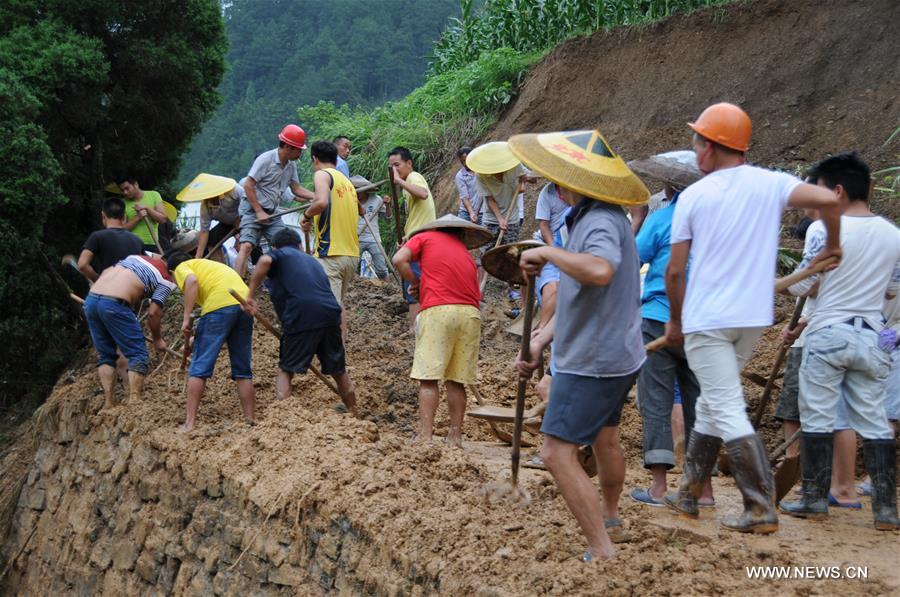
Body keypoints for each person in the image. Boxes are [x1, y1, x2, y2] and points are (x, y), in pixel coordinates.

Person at [662, 103, 841, 534]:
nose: (695, 149)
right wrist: (832, 245)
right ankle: (688, 492)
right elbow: (828, 199)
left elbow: (673, 271)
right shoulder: (771, 183)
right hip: (752, 316)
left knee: (723, 403)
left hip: (708, 318)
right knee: (712, 400)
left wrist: (674, 321)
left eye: (696, 142)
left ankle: (759, 506)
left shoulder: (693, 196)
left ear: (709, 147)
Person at [511, 128, 650, 561]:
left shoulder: (600, 220)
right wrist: (541, 339)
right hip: (610, 351)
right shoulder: (590, 218)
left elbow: (600, 271)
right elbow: (581, 295)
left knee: (555, 453)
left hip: (593, 360)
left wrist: (548, 254)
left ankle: (602, 548)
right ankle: (609, 517)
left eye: (558, 178)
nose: (554, 185)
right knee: (606, 440)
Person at [779, 152, 900, 531]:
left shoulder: (823, 229)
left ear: (838, 192)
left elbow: (801, 284)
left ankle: (814, 499)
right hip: (871, 336)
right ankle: (885, 509)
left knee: (817, 415)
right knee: (875, 421)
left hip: (829, 331)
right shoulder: (894, 236)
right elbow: (893, 292)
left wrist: (806, 278)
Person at [629, 173, 714, 508]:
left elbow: (635, 259)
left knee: (657, 401)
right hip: (705, 323)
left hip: (659, 318)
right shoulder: (719, 224)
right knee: (701, 405)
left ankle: (660, 488)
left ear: (669, 188)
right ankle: (703, 490)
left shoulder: (663, 218)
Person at [393, 215, 487, 447]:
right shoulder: (465, 254)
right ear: (461, 235)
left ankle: (426, 435)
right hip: (470, 315)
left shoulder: (425, 237)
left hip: (439, 311)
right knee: (456, 381)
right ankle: (455, 435)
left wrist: (415, 281)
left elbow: (399, 259)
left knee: (428, 378)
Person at [244, 228, 358, 416]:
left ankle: (286, 419)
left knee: (286, 369)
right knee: (338, 370)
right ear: (299, 245)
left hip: (301, 314)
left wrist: (249, 296)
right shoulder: (312, 261)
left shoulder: (279, 254)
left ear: (274, 246)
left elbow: (264, 260)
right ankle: (354, 410)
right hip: (330, 314)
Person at [166, 251, 256, 432]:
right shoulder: (211, 269)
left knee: (199, 366)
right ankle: (250, 420)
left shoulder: (183, 267)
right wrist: (193, 340)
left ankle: (190, 424)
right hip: (243, 305)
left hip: (221, 306)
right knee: (242, 368)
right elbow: (218, 327)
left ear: (171, 273)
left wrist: (186, 317)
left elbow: (191, 282)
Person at [83, 254, 175, 409]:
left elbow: (107, 270)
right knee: (137, 353)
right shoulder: (166, 279)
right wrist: (157, 339)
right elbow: (153, 313)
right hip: (114, 304)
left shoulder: (135, 257)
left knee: (106, 355)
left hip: (92, 300)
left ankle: (108, 403)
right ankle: (135, 400)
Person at [299, 141, 361, 340]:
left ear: (315, 159)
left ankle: (333, 355)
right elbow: (361, 209)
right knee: (336, 306)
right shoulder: (347, 182)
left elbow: (322, 201)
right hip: (350, 254)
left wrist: (307, 216)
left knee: (328, 309)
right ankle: (338, 352)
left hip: (331, 254)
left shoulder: (322, 175)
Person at [236, 124, 315, 277]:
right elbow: (248, 184)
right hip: (253, 210)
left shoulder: (291, 166)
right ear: (287, 147)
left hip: (272, 212)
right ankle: (237, 283)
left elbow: (296, 189)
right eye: (298, 149)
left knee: (286, 245)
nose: (300, 153)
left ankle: (288, 279)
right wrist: (258, 211)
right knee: (246, 245)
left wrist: (315, 196)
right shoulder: (265, 160)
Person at [467, 142, 527, 299]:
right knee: (485, 252)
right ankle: (480, 290)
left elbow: (525, 178)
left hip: (512, 218)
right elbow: (489, 199)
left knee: (511, 253)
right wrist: (500, 218)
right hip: (491, 218)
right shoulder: (481, 175)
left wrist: (524, 182)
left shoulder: (514, 166)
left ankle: (512, 290)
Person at [388, 146, 436, 331]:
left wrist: (399, 180)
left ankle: (415, 331)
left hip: (421, 240)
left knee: (414, 289)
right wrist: (406, 236)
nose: (394, 170)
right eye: (391, 166)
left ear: (409, 163)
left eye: (397, 165)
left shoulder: (414, 177)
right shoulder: (407, 183)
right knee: (417, 286)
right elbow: (416, 216)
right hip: (416, 238)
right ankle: (417, 328)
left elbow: (423, 194)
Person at [78, 197, 145, 282]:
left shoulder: (97, 236)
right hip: (132, 291)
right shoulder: (138, 240)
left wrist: (98, 279)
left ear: (103, 215)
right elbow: (144, 270)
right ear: (124, 216)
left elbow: (82, 264)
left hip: (107, 290)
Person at [353, 175, 391, 281]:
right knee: (351, 267)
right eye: (355, 191)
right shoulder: (350, 201)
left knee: (382, 269)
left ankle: (388, 287)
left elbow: (388, 218)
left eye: (360, 191)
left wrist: (388, 205)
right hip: (356, 238)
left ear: (366, 191)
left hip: (374, 238)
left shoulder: (377, 200)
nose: (357, 194)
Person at [117, 176, 168, 254]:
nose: (125, 192)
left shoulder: (154, 195)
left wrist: (147, 208)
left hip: (152, 244)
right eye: (122, 190)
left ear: (136, 184)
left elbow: (163, 219)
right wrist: (138, 217)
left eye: (127, 188)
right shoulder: (123, 203)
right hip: (132, 245)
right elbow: (122, 229)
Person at [195, 181, 244, 261]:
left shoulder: (233, 190)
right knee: (211, 240)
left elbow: (250, 203)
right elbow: (204, 231)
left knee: (245, 242)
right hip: (227, 223)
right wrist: (198, 257)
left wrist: (241, 217)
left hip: (247, 218)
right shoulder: (205, 205)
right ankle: (222, 268)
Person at [455, 146, 481, 223]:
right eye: (462, 161)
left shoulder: (482, 170)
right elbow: (464, 197)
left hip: (483, 211)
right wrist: (472, 213)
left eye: (466, 160)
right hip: (466, 212)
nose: (464, 163)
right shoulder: (460, 176)